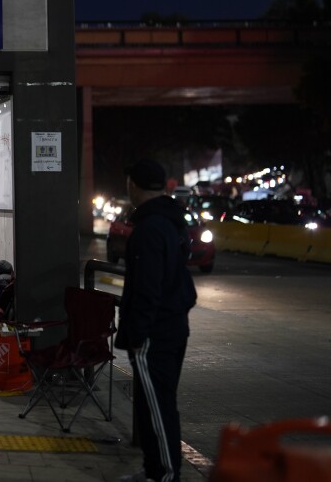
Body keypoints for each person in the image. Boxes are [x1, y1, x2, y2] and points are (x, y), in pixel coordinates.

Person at [116, 159, 197, 482]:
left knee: (157, 408)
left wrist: (137, 334)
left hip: (154, 334)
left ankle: (165, 474)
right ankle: (154, 470)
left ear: (133, 186)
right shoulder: (172, 222)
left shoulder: (150, 228)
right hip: (172, 326)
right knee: (155, 405)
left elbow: (147, 288)